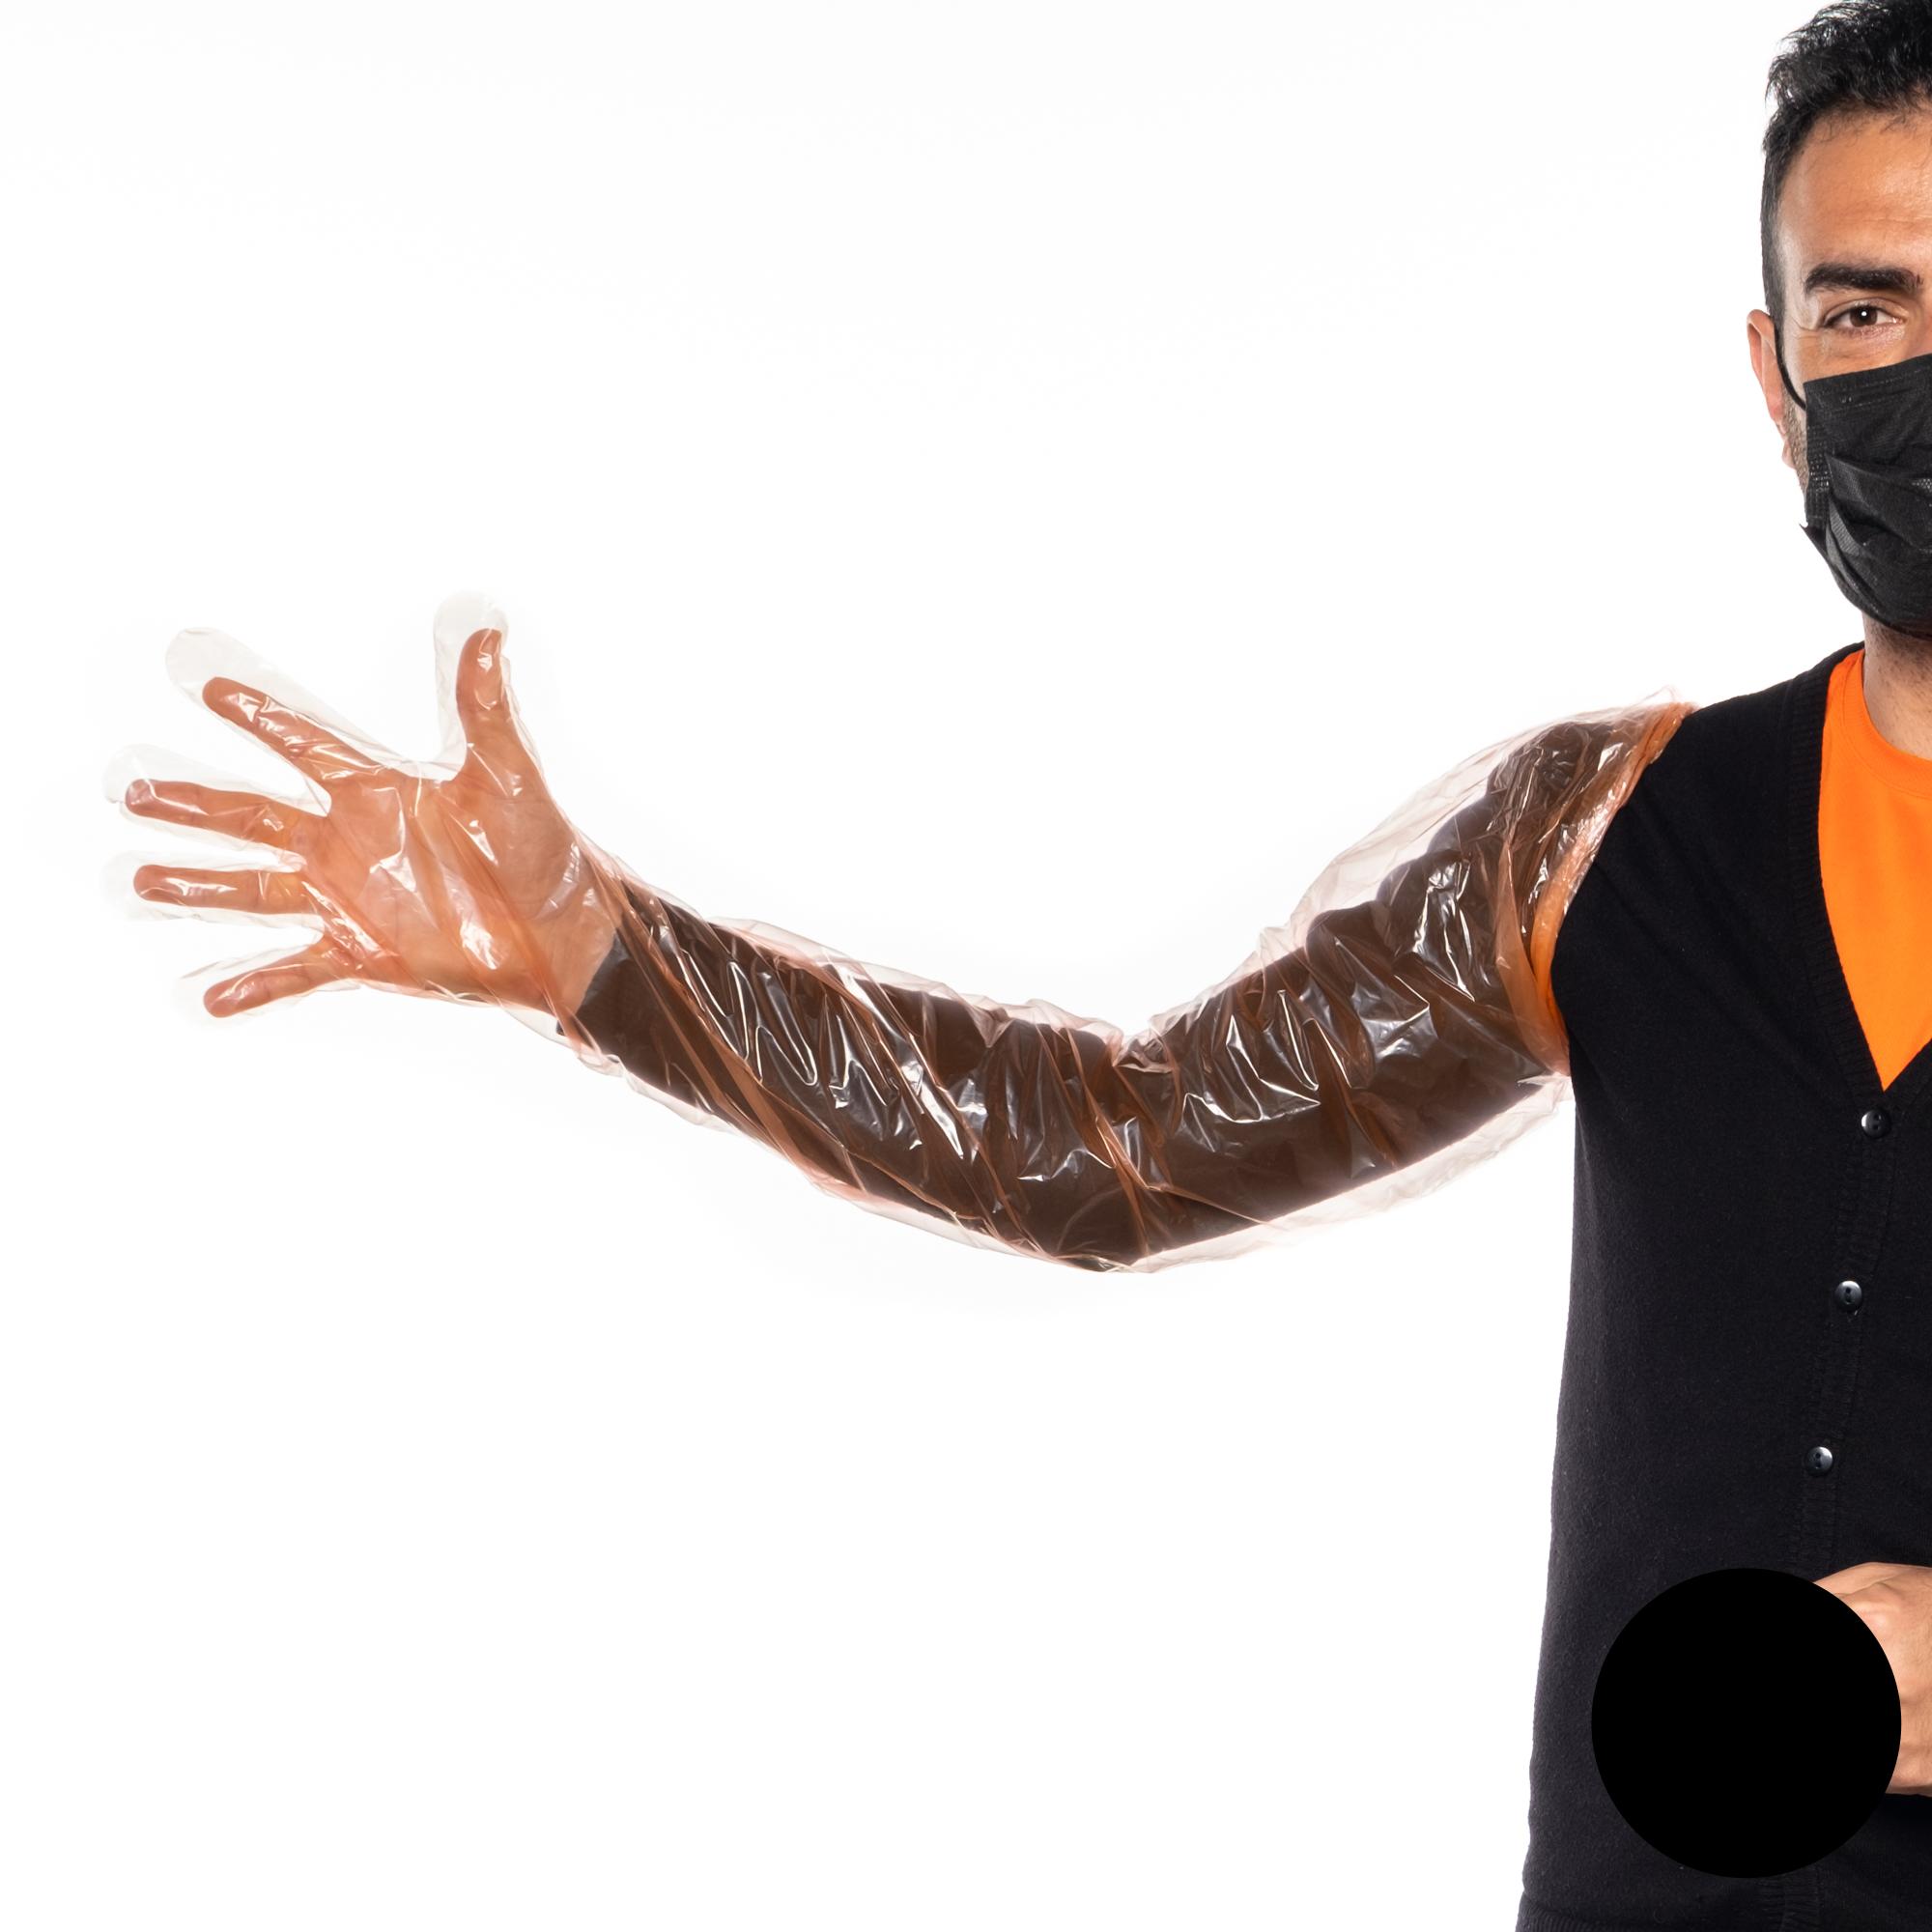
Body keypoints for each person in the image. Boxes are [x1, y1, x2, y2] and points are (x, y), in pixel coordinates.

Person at [112, 2, 1932, 1924]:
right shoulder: (1607, 835)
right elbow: (1117, 1149)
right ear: (1774, 376)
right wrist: (599, 950)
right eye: (1863, 311)